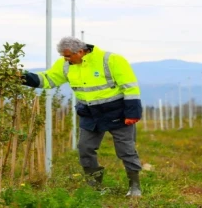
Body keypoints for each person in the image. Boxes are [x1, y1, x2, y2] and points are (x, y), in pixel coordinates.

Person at [21, 36, 142, 197]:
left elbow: (130, 86)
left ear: (80, 51)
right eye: (64, 56)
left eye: (68, 55)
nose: (66, 59)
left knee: (126, 150)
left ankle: (134, 186)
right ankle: (95, 186)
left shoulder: (111, 60)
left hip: (117, 113)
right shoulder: (65, 65)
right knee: (85, 149)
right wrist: (22, 77)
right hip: (89, 114)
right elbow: (48, 80)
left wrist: (132, 113)